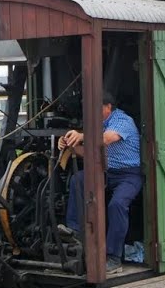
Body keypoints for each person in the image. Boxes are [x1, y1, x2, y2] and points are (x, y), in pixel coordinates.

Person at [59, 91, 143, 275]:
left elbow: (106, 139)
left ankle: (114, 258)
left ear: (108, 107)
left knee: (117, 205)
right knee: (78, 179)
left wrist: (81, 136)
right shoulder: (99, 125)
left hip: (129, 175)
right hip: (106, 172)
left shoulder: (122, 120)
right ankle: (74, 231)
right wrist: (71, 145)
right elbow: (89, 151)